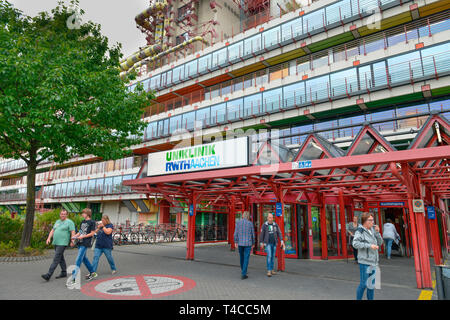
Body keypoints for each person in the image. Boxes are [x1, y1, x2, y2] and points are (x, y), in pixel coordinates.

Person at [352, 212, 383, 300]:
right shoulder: (360, 231)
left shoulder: (373, 230)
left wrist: (377, 233)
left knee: (371, 286)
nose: (373, 222)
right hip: (365, 262)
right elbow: (355, 243)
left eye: (373, 220)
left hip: (374, 262)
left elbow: (380, 243)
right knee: (364, 284)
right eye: (370, 220)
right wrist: (369, 245)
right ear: (365, 221)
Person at [41, 209, 76, 281]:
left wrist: (72, 241)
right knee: (60, 258)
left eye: (64, 214)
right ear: (60, 214)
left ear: (66, 215)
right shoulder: (57, 221)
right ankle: (63, 272)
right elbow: (53, 230)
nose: (63, 215)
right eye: (61, 214)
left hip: (62, 243)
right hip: (56, 242)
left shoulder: (69, 222)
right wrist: (48, 238)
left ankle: (48, 274)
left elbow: (73, 231)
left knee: (56, 258)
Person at [67, 208, 96, 288]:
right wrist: (74, 237)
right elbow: (80, 231)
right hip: (80, 242)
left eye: (83, 213)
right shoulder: (83, 222)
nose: (82, 214)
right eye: (82, 213)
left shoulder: (92, 222)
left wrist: (83, 236)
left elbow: (92, 233)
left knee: (78, 260)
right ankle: (93, 272)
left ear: (88, 214)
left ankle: (73, 279)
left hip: (85, 243)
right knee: (84, 259)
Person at [87, 215, 117, 280]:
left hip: (106, 246)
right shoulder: (101, 226)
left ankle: (113, 268)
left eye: (103, 220)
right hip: (98, 245)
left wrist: (103, 226)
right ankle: (92, 272)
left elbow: (108, 232)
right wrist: (97, 228)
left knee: (109, 258)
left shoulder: (110, 225)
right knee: (95, 257)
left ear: (106, 220)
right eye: (101, 221)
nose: (102, 222)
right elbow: (95, 233)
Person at [260, 213, 285, 277]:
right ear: (267, 218)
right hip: (267, 243)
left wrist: (281, 240)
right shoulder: (264, 225)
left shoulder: (275, 225)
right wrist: (261, 242)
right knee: (269, 256)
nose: (271, 219)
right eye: (270, 217)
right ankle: (269, 270)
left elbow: (279, 232)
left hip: (274, 243)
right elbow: (262, 234)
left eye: (272, 217)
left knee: (273, 257)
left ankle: (271, 269)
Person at [233, 211, 255, 280]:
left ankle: (243, 270)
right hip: (248, 244)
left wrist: (235, 242)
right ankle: (243, 273)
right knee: (246, 258)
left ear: (243, 216)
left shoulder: (238, 223)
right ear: (248, 216)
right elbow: (253, 235)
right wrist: (253, 243)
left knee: (241, 257)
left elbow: (235, 233)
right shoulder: (250, 223)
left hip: (240, 243)